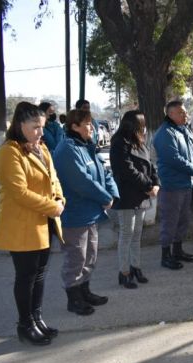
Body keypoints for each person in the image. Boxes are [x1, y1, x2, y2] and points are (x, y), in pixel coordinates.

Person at [0, 102, 65, 345]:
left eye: (42, 127)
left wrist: (60, 198)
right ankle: (25, 324)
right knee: (26, 277)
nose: (40, 132)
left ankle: (37, 318)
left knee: (40, 275)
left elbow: (53, 178)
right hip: (22, 225)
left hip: (44, 223)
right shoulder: (9, 152)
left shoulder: (41, 148)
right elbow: (19, 192)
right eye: (35, 127)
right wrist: (52, 206)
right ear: (19, 125)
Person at [53, 109, 119, 315]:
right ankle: (73, 298)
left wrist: (113, 194)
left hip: (92, 212)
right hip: (75, 214)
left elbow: (104, 172)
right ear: (75, 126)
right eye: (88, 124)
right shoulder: (67, 149)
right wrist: (105, 198)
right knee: (76, 257)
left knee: (90, 255)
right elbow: (82, 181)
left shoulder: (86, 146)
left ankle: (85, 291)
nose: (93, 128)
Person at [110, 110, 159, 288]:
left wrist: (155, 184)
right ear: (134, 124)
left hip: (141, 195)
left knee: (137, 234)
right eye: (142, 124)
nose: (144, 127)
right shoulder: (119, 143)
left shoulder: (139, 142)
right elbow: (127, 170)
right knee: (126, 234)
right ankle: (124, 272)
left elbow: (150, 165)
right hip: (127, 196)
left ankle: (135, 267)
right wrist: (148, 186)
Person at [153, 101, 193, 269]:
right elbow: (172, 158)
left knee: (183, 219)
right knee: (170, 221)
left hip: (186, 183)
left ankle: (178, 250)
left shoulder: (185, 129)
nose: (185, 115)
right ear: (170, 114)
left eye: (185, 112)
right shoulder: (165, 133)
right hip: (172, 185)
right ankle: (165, 255)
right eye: (181, 112)